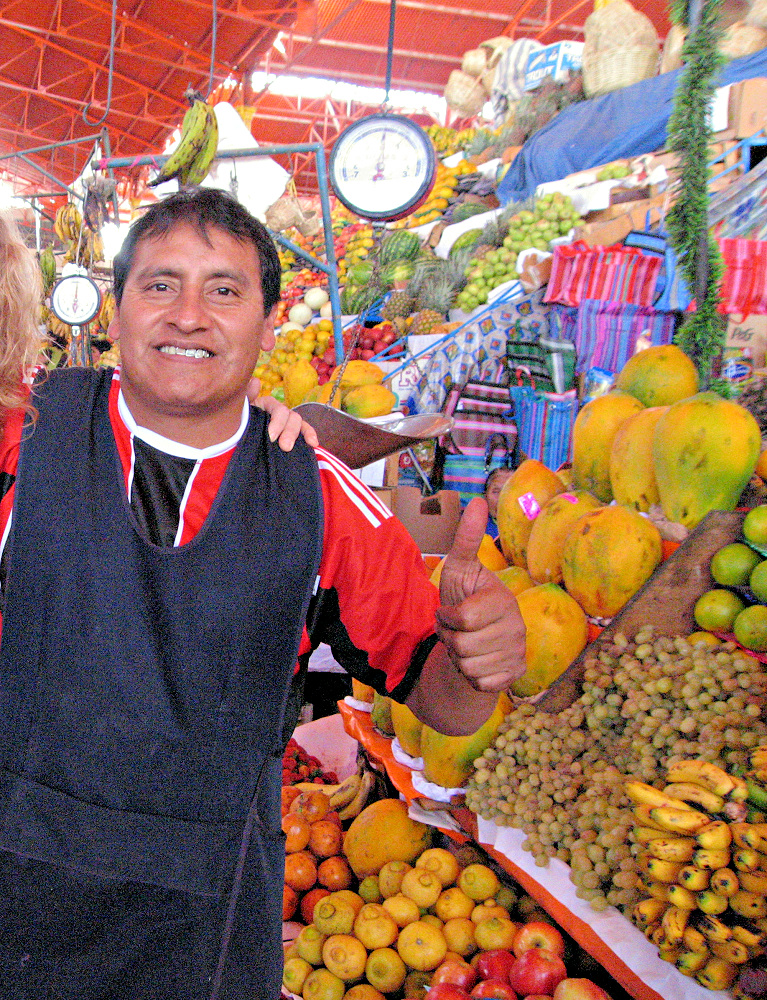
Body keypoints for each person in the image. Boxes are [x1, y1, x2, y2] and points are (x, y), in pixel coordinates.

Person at [0, 189, 525, 999]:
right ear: (115, 308)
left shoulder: (320, 500)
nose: (187, 315)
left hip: (202, 928)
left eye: (223, 289)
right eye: (159, 284)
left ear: (268, 324)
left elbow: (449, 709)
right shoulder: (23, 440)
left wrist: (478, 657)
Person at [484, 465, 514, 539]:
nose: (502, 499)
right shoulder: (476, 526)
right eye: (496, 492)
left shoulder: (529, 529)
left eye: (509, 492)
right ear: (485, 495)